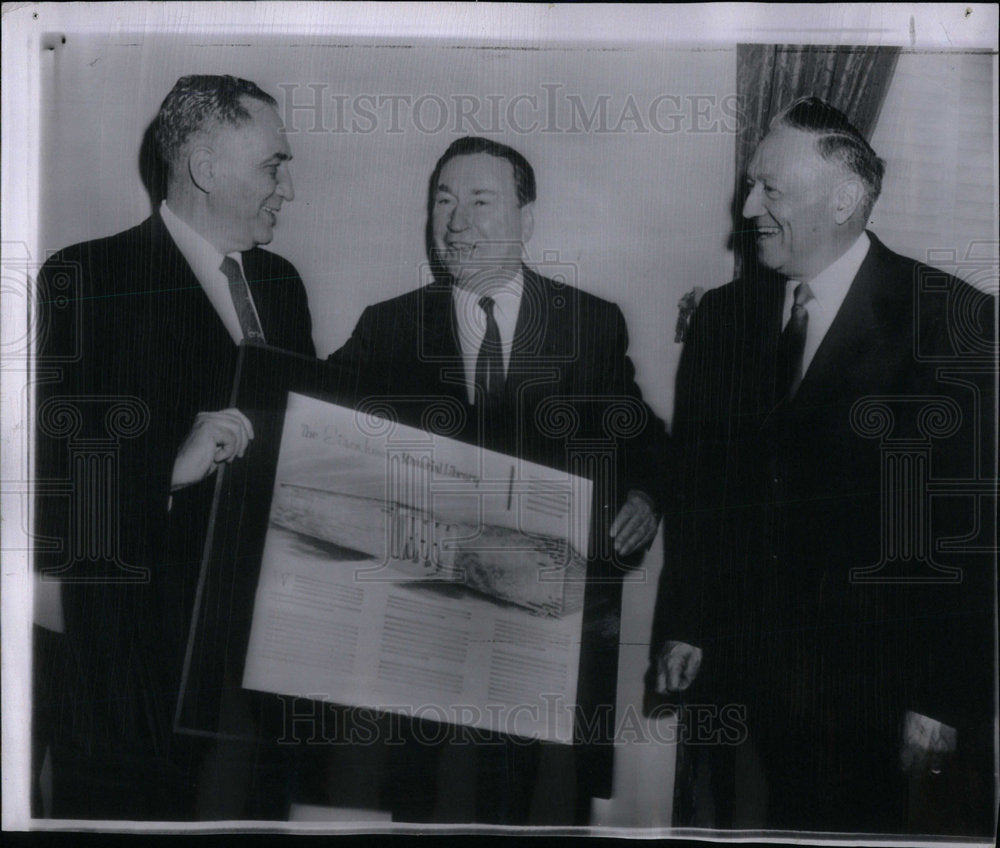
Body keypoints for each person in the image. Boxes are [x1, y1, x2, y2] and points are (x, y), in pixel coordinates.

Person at [647, 97, 996, 834]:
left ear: (842, 199)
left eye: (770, 189)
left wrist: (942, 698)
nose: (747, 207)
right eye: (751, 185)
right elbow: (703, 491)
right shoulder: (722, 320)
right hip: (737, 688)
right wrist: (686, 624)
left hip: (872, 699)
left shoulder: (951, 323)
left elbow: (972, 535)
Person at [323, 136, 669, 824]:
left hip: (555, 650)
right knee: (430, 812)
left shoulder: (591, 324)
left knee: (550, 814)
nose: (456, 221)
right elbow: (312, 422)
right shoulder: (388, 328)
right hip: (428, 651)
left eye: (480, 201)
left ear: (526, 218)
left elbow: (646, 439)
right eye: (442, 202)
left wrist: (646, 495)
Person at [34, 74, 315, 819]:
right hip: (136, 679)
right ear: (205, 170)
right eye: (274, 165)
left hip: (260, 674)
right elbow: (56, 491)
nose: (287, 188)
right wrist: (167, 471)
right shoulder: (87, 278)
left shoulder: (282, 287)